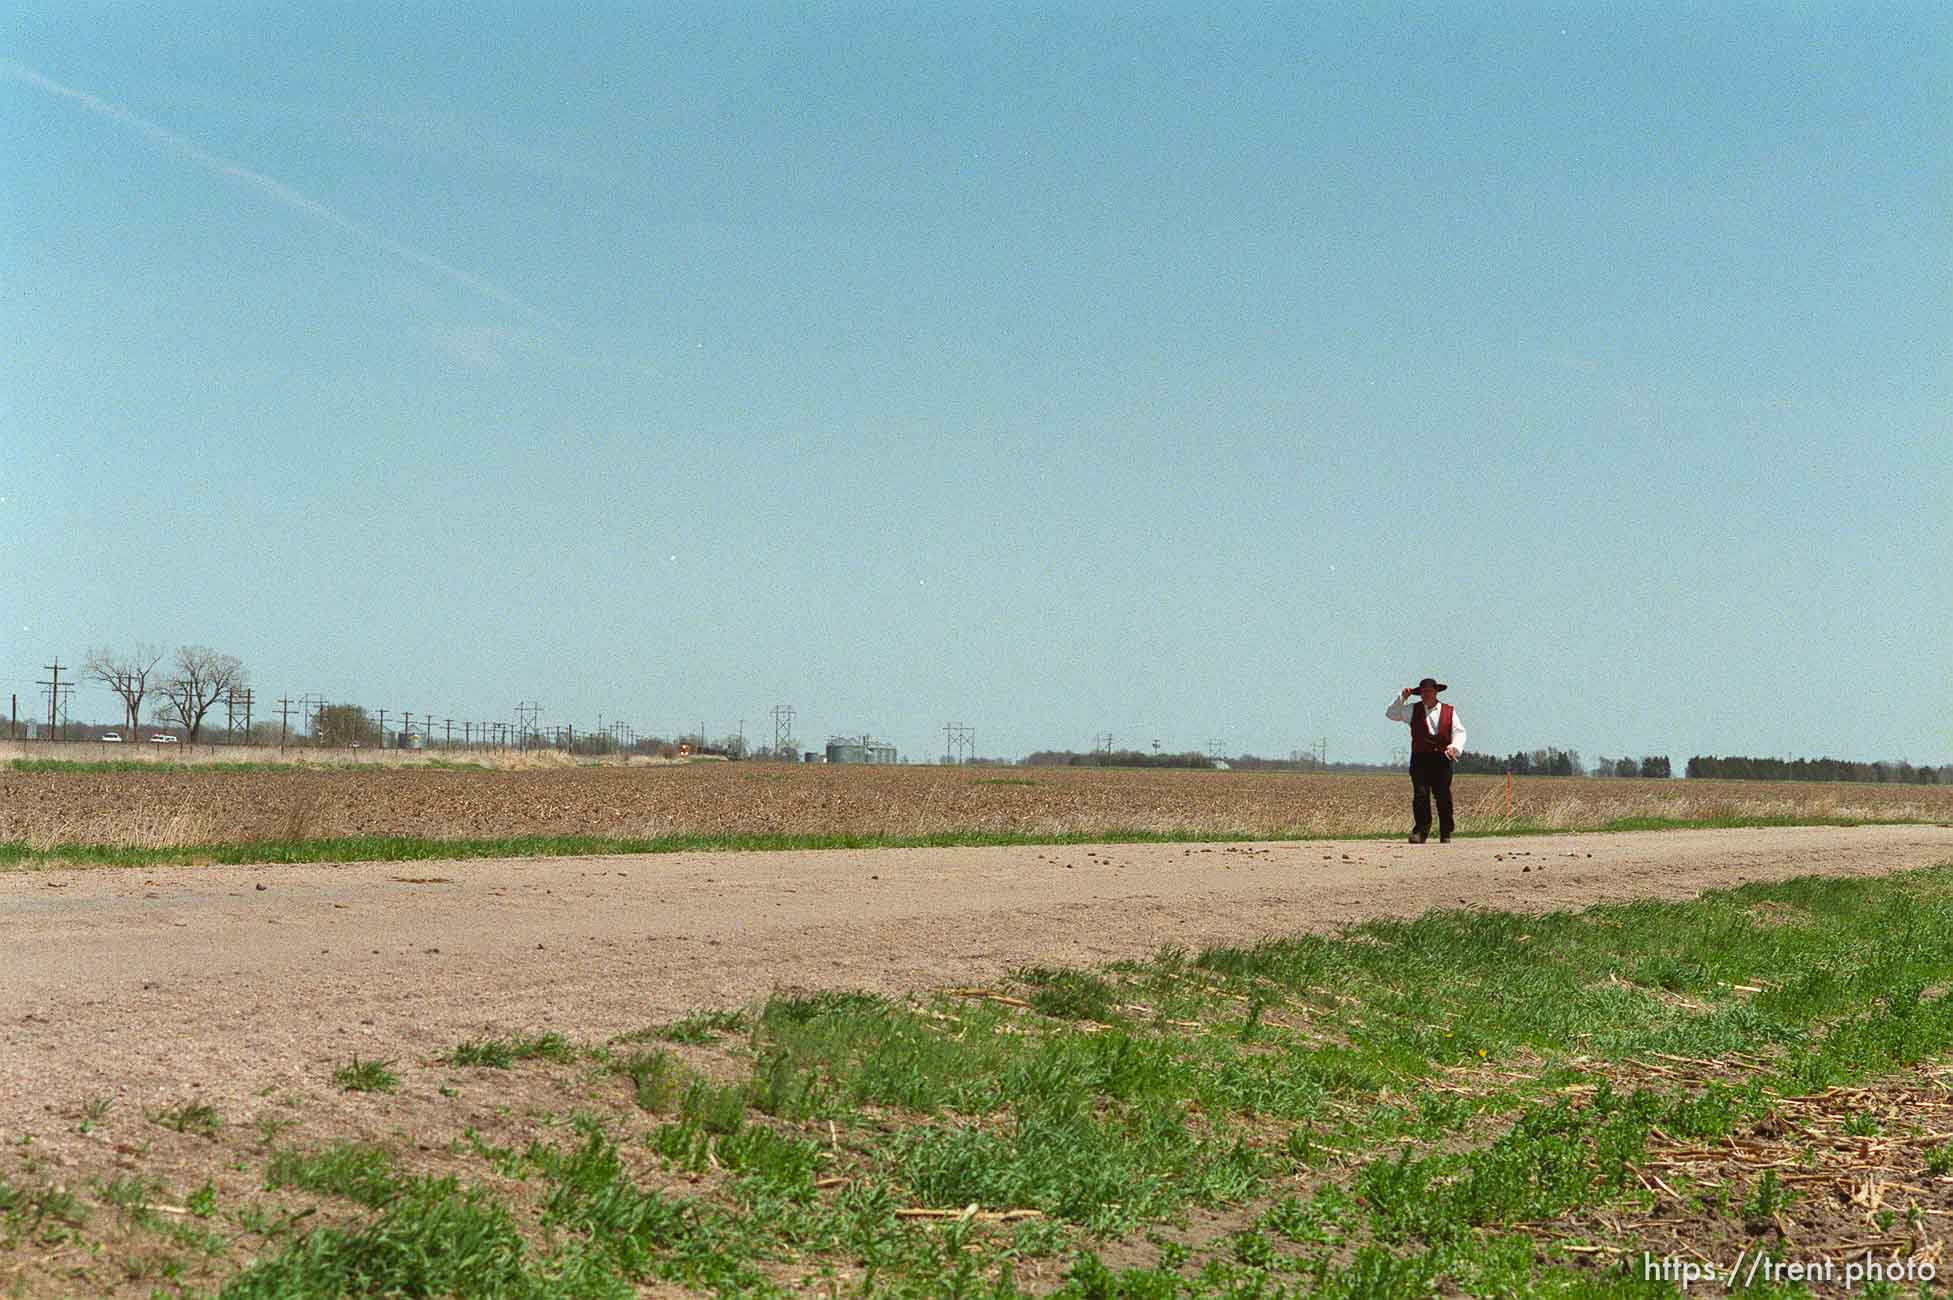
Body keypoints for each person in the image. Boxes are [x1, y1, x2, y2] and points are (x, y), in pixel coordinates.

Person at [1386, 677, 1467, 843]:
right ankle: (1421, 832)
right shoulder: (1411, 710)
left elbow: (1459, 732)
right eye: (1423, 692)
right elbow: (1391, 714)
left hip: (1442, 759)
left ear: (1436, 692)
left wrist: (1455, 748)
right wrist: (1402, 697)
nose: (1426, 695)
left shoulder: (1449, 711)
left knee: (1443, 796)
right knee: (1420, 795)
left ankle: (1446, 832)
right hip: (1420, 758)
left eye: (1429, 691)